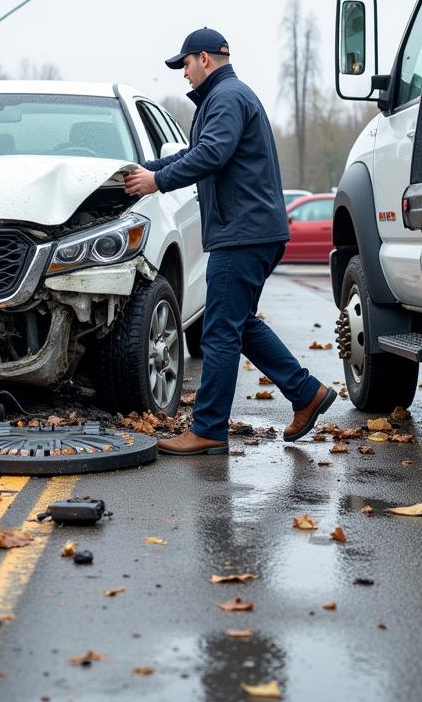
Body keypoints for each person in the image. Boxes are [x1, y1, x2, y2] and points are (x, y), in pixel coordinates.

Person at [124, 28, 336, 454]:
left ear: (204, 58)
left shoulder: (225, 98)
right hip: (251, 230)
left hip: (243, 233)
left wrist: (157, 182)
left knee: (219, 331)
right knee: (239, 325)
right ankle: (306, 393)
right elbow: (195, 152)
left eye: (184, 64)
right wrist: (148, 169)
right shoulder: (226, 98)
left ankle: (208, 429)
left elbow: (211, 155)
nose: (183, 75)